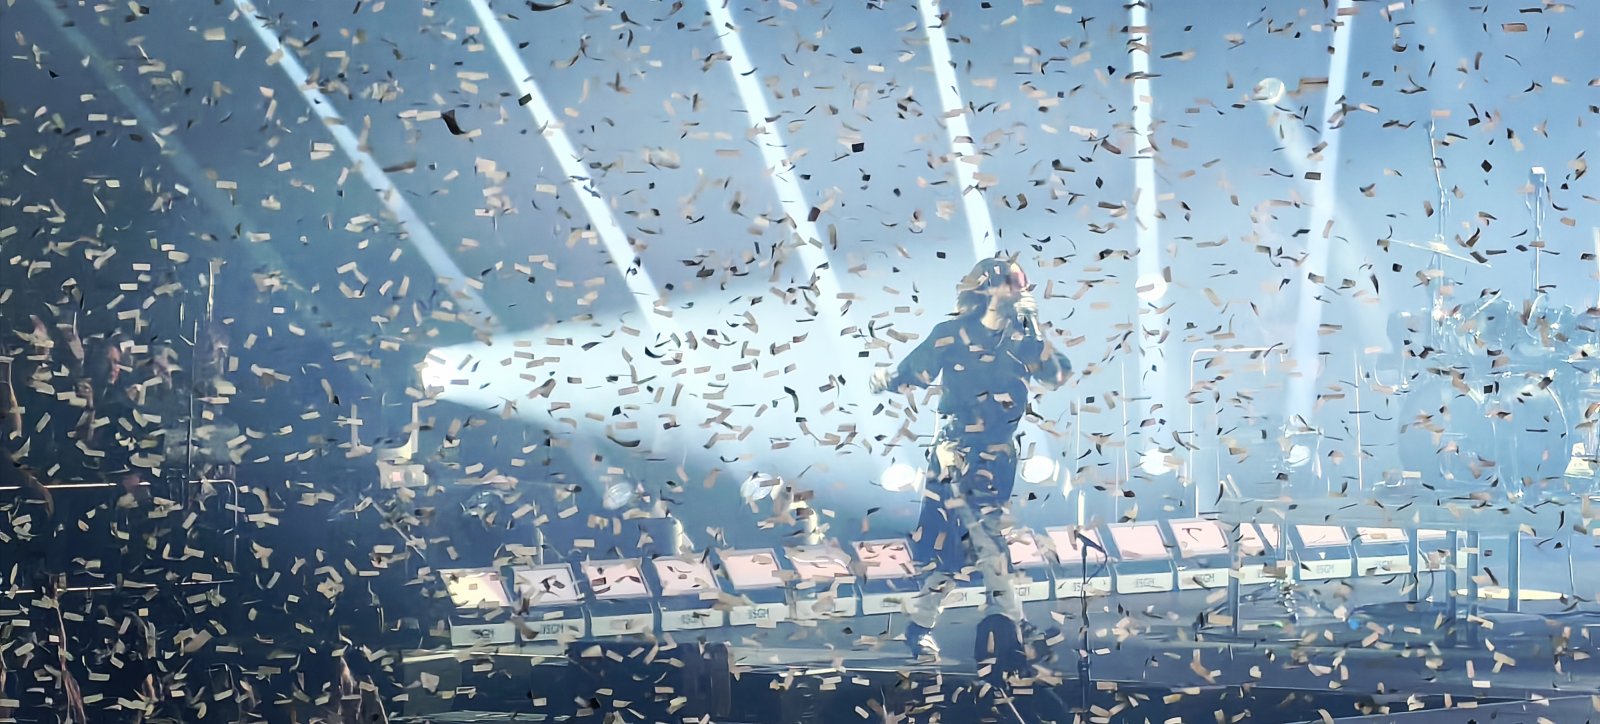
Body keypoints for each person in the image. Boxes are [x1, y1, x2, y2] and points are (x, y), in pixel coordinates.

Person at [869, 255, 1070, 677]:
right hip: (957, 451)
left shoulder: (1022, 338)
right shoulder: (952, 333)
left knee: (961, 551)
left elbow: (1055, 375)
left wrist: (1036, 330)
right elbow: (913, 372)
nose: (1019, 292)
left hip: (1000, 453)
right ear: (986, 289)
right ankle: (1013, 624)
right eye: (1011, 284)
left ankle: (920, 623)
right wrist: (885, 378)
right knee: (984, 537)